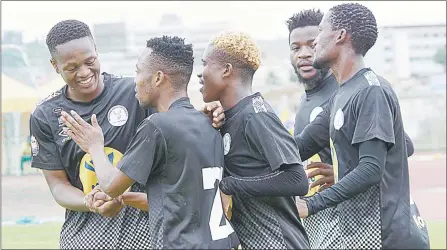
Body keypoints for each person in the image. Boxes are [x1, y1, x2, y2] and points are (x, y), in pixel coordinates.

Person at [30, 20, 224, 249]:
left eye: (90, 61)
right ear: (55, 65)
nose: (84, 73)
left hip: (144, 228)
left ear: (96, 51)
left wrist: (204, 116)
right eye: (72, 68)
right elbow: (57, 185)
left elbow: (175, 124)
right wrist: (91, 201)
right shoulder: (45, 115)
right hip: (85, 235)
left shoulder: (136, 92)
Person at [294, 3, 430, 249]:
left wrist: (311, 204)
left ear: (340, 35)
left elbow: (371, 168)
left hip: (387, 237)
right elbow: (299, 146)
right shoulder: (341, 94)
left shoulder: (371, 90)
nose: (314, 43)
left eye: (321, 31)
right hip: (360, 235)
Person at [198, 31, 310, 249]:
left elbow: (297, 179)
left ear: (226, 70)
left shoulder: (257, 115)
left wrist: (230, 185)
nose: (199, 75)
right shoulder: (227, 118)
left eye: (204, 64)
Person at [286, 9, 341, 249]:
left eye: (312, 44)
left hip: (343, 219)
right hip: (312, 216)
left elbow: (402, 145)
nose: (304, 54)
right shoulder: (306, 99)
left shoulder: (345, 92)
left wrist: (341, 172)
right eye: (296, 47)